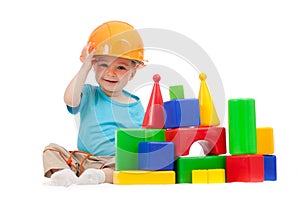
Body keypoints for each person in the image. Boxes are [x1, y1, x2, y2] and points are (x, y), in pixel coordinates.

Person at [43, 21, 146, 187]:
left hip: (114, 161)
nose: (110, 72)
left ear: (133, 73)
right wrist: (84, 67)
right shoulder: (89, 93)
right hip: (83, 158)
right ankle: (64, 174)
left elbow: (141, 141)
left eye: (120, 67)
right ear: (94, 66)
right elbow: (70, 99)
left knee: (132, 162)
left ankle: (99, 176)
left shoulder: (135, 105)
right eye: (103, 64)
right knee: (51, 150)